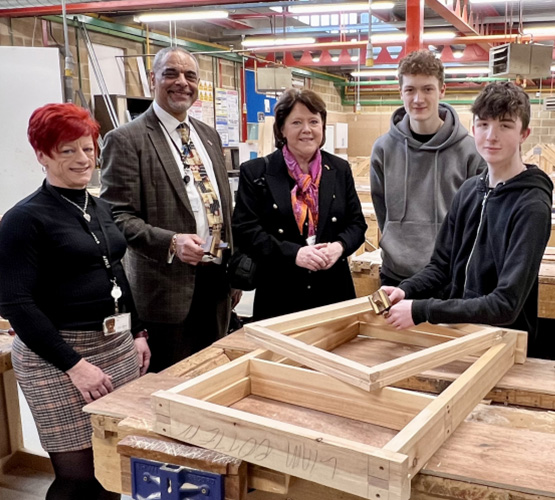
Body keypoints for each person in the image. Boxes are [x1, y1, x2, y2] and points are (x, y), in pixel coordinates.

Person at [0, 103, 150, 500]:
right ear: (42, 155)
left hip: (115, 348)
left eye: (88, 148)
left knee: (112, 465)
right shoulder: (24, 219)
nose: (83, 159)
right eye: (68, 150)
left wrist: (137, 333)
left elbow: (117, 271)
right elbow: (14, 303)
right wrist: (74, 366)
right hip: (57, 357)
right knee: (79, 476)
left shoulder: (96, 206)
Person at [382, 81, 553, 355]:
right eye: (483, 124)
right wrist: (407, 289)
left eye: (505, 125)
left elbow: (505, 305)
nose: (491, 136)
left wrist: (422, 310)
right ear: (473, 129)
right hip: (462, 333)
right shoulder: (469, 190)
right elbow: (441, 266)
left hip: (505, 345)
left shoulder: (532, 205)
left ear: (524, 133)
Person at [101, 46, 235, 372]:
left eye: (190, 76)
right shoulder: (126, 139)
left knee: (213, 377)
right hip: (165, 292)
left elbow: (220, 211)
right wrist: (171, 243)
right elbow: (117, 218)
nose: (182, 83)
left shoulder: (210, 137)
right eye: (171, 74)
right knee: (170, 388)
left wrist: (233, 276)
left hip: (216, 285)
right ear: (152, 80)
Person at [232, 88, 367, 320]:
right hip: (280, 294)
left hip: (333, 291)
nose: (307, 130)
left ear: (322, 127)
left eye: (314, 121)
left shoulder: (339, 169)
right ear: (282, 129)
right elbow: (246, 230)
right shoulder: (257, 172)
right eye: (296, 122)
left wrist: (339, 247)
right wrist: (294, 253)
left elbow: (357, 224)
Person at [371, 49, 486, 286]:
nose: (418, 99)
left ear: (442, 90)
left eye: (427, 89)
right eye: (410, 89)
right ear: (400, 92)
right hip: (396, 275)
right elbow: (382, 210)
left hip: (449, 277)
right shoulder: (383, 149)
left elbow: (477, 218)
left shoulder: (470, 151)